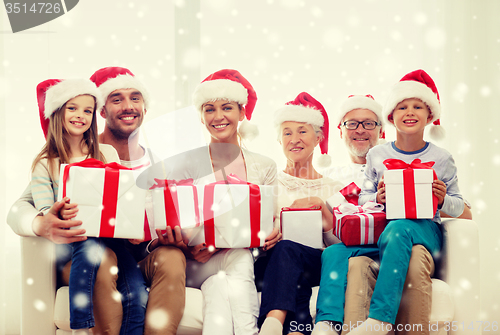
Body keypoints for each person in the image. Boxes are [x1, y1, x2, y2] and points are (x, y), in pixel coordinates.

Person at [8, 67, 186, 335]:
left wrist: (159, 238)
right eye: (116, 99)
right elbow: (20, 208)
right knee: (103, 259)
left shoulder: (156, 164)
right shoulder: (63, 160)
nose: (128, 106)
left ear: (145, 108)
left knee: (170, 257)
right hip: (90, 250)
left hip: (134, 252)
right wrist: (41, 222)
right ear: (103, 111)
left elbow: (165, 214)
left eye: (135, 98)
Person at [313, 69, 464, 335]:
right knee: (335, 252)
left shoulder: (442, 157)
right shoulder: (377, 155)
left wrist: (440, 200)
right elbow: (364, 199)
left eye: (418, 106)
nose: (410, 112)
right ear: (391, 118)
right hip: (385, 233)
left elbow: (461, 208)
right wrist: (377, 198)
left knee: (401, 226)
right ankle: (327, 323)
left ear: (430, 116)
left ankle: (380, 319)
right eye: (402, 106)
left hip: (425, 231)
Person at [145, 68, 280, 335]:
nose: (218, 117)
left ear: (241, 113)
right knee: (238, 259)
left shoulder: (264, 166)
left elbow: (272, 218)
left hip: (240, 260)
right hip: (194, 261)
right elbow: (165, 216)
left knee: (220, 286)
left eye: (227, 108)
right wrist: (183, 243)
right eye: (209, 109)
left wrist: (275, 232)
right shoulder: (183, 163)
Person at [30, 78, 146, 335]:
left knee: (136, 292)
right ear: (57, 112)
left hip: (113, 238)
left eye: (87, 110)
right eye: (72, 108)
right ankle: (81, 325)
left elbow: (123, 197)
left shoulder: (106, 154)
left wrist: (135, 223)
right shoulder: (46, 163)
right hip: (76, 239)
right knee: (88, 247)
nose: (80, 116)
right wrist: (57, 212)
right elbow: (45, 209)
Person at [256, 92, 343, 335]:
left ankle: (273, 325)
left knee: (291, 252)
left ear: (318, 138)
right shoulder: (268, 183)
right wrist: (265, 237)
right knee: (286, 252)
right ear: (279, 140)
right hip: (273, 261)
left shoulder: (334, 188)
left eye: (302, 131)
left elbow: (340, 245)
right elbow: (255, 230)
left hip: (318, 262)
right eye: (287, 132)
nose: (295, 139)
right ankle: (297, 330)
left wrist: (325, 217)